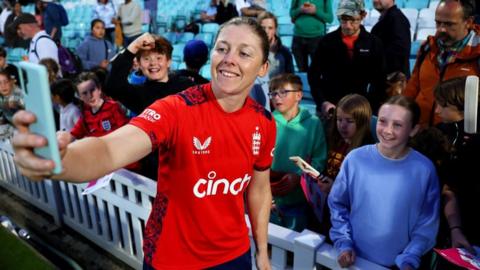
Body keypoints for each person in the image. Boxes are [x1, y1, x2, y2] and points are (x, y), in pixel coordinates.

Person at [11, 17, 275, 270]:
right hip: (173, 259)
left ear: (263, 67)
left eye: (244, 53)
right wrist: (60, 161)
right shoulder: (176, 108)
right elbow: (109, 149)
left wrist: (262, 252)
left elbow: (259, 189)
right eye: (222, 48)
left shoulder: (263, 122)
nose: (229, 60)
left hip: (234, 256)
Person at [328, 95, 440, 269]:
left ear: (413, 129)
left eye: (397, 125)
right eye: (382, 121)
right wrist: (343, 242)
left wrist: (411, 257)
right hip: (355, 261)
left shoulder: (424, 169)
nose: (387, 130)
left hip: (398, 266)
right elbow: (337, 204)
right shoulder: (355, 159)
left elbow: (427, 223)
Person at [404, 0, 479, 127]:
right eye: (438, 22)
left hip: (457, 139)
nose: (441, 29)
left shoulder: (477, 52)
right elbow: (413, 86)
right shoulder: (427, 47)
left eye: (449, 24)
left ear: (469, 22)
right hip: (421, 132)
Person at [268, 73, 327, 232]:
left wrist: (299, 176)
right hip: (270, 199)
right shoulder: (267, 122)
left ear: (299, 95)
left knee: (295, 248)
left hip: (300, 201)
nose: (277, 97)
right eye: (273, 93)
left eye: (283, 92)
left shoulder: (313, 124)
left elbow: (319, 160)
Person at [307, 0, 387, 117]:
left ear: (363, 16)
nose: (348, 26)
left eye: (353, 20)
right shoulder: (326, 42)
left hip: (361, 109)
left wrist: (370, 105)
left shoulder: (374, 43)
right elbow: (313, 75)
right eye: (344, 20)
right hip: (332, 108)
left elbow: (380, 79)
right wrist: (322, 102)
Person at [310, 94, 374, 238]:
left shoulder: (366, 150)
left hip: (346, 219)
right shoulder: (336, 139)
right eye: (339, 120)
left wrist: (334, 188)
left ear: (362, 122)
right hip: (326, 208)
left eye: (349, 121)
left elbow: (363, 192)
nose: (342, 125)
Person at [433, 77, 480, 264]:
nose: (436, 111)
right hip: (449, 219)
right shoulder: (440, 132)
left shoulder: (474, 139)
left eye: (442, 106)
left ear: (460, 106)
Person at [104, 33, 194, 115]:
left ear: (169, 61)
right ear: (139, 64)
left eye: (159, 58)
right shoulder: (138, 94)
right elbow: (113, 87)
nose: (153, 63)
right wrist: (134, 46)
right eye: (146, 59)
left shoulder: (186, 85)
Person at [371, 0, 411, 78]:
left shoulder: (397, 19)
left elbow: (399, 51)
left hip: (392, 82)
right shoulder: (390, 17)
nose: (376, 0)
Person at [290, 0, 333, 72]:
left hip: (317, 39)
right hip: (298, 38)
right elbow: (292, 14)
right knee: (301, 71)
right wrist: (300, 10)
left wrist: (315, 11)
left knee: (318, 70)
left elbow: (329, 18)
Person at [258, 11, 294, 78]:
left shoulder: (285, 52)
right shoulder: (251, 50)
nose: (266, 31)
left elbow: (291, 77)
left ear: (275, 30)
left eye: (270, 28)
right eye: (263, 28)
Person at [0, 69, 23, 139]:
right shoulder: (3, 96)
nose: (3, 86)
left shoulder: (18, 93)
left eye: (6, 82)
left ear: (11, 82)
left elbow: (13, 103)